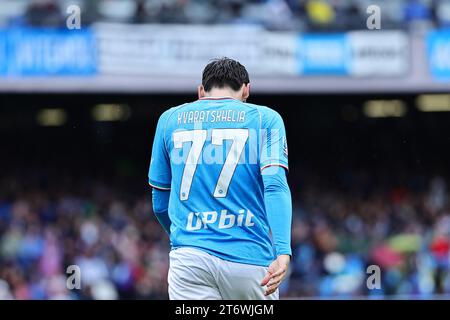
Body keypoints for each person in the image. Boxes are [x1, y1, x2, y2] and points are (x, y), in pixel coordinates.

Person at [148, 57, 292, 300]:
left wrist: (186, 238)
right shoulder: (265, 119)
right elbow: (275, 185)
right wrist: (282, 250)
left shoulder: (169, 120)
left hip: (190, 260)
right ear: (247, 89)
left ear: (201, 91)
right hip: (249, 258)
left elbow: (159, 202)